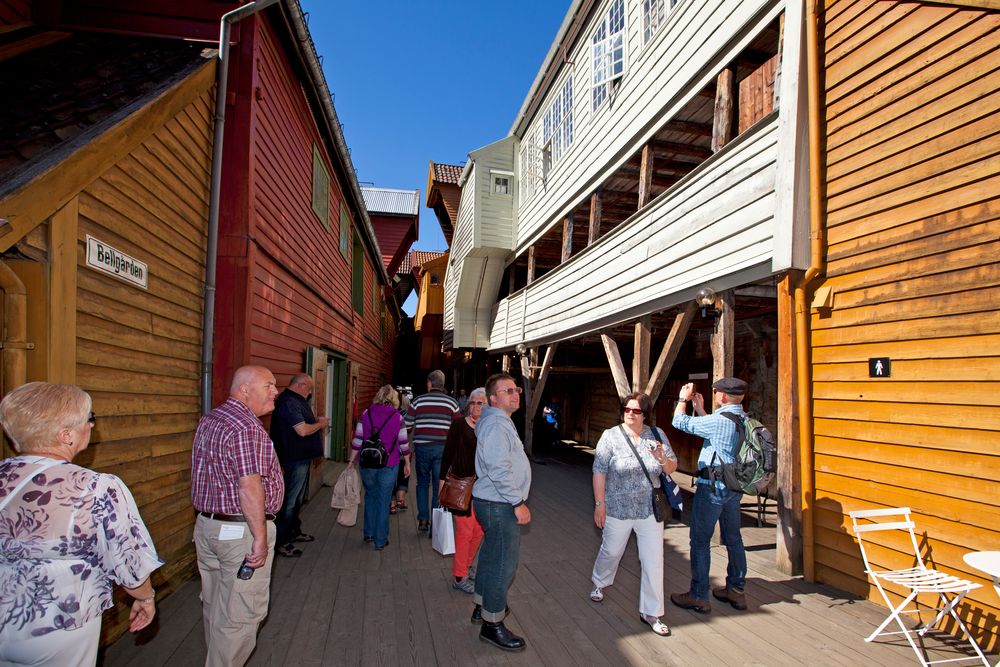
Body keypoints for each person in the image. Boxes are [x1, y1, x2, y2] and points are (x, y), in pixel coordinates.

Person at [0, 382, 161, 666]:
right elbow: (129, 561)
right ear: (66, 435)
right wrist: (146, 598)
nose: (91, 426)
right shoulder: (96, 487)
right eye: (89, 419)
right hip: (58, 624)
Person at [191, 365, 283, 667]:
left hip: (208, 527)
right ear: (244, 390)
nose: (275, 392)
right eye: (268, 386)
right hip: (241, 533)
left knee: (216, 606)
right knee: (240, 615)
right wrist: (259, 538)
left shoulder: (211, 419)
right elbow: (249, 485)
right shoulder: (246, 427)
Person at [590, 392, 678, 636]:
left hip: (649, 509)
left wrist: (661, 457)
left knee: (653, 560)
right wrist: (600, 504)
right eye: (627, 409)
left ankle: (652, 612)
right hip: (618, 508)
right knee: (611, 551)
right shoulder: (610, 436)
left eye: (636, 410)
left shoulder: (657, 435)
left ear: (645, 414)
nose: (630, 413)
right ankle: (600, 581)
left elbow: (671, 467)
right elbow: (599, 471)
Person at [670, 377, 750, 614]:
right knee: (734, 539)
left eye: (717, 393)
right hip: (734, 488)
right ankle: (736, 590)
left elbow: (678, 421)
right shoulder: (745, 419)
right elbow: (718, 436)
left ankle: (698, 595)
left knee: (700, 541)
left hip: (712, 486)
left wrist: (682, 400)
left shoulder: (718, 420)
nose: (716, 395)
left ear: (723, 396)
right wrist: (701, 410)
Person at [470, 373, 531, 652]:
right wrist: (517, 502)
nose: (515, 394)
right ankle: (491, 625)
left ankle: (482, 606)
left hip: (493, 501)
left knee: (491, 556)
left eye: (516, 389)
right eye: (507, 391)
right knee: (503, 564)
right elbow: (498, 468)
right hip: (500, 503)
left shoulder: (497, 421)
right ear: (493, 398)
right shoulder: (495, 423)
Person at [270, 373, 330, 557]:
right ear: (301, 385)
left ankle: (293, 531)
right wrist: (319, 425)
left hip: (300, 459)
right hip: (293, 459)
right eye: (309, 389)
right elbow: (302, 430)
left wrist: (316, 420)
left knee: (296, 500)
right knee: (289, 501)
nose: (310, 392)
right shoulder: (289, 402)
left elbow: (303, 424)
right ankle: (282, 541)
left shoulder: (294, 400)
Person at [347, 385, 410, 550]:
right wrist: (408, 463)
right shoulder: (397, 417)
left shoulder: (366, 414)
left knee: (370, 496)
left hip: (367, 463)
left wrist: (351, 460)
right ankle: (380, 540)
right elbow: (403, 443)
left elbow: (358, 439)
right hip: (389, 464)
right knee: (384, 500)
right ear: (394, 399)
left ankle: (368, 532)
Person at [439, 387, 486, 593]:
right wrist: (441, 482)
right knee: (465, 532)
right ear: (469, 405)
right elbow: (447, 454)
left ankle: (465, 565)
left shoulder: (488, 427)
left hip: (483, 488)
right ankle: (459, 577)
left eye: (481, 403)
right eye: (474, 402)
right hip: (461, 487)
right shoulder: (458, 425)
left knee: (479, 530)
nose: (476, 406)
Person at [405, 370, 460, 532]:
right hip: (443, 449)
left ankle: (423, 519)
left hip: (422, 448)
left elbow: (407, 426)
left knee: (422, 483)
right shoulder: (452, 403)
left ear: (430, 383)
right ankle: (436, 522)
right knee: (439, 485)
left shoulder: (417, 402)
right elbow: (457, 428)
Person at [391, 390, 412, 514]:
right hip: (403, 450)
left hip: (390, 451)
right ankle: (400, 499)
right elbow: (409, 431)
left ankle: (392, 503)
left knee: (391, 477)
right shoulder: (405, 414)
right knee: (404, 473)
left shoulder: (387, 414)